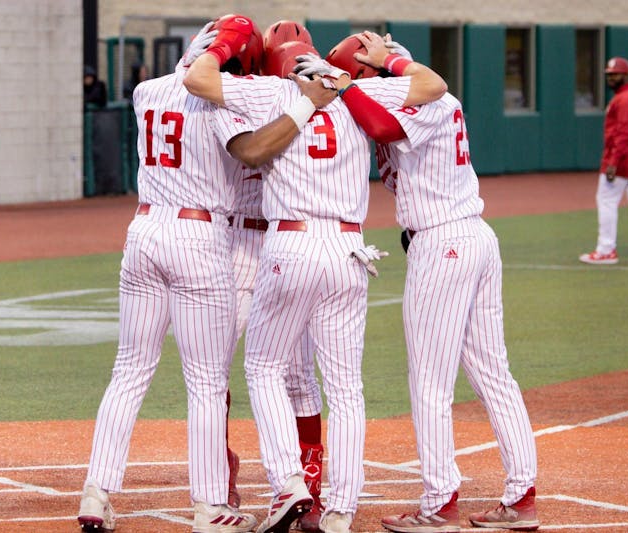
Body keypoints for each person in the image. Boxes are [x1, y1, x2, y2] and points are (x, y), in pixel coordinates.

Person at [185, 23, 446, 533]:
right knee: (346, 386)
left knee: (263, 368)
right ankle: (340, 510)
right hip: (350, 246)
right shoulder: (358, 89)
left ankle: (289, 484)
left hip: (291, 241)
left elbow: (197, 81)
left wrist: (219, 46)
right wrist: (384, 61)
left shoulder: (270, 90)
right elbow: (433, 85)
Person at [323, 35, 540, 532]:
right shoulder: (411, 95)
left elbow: (381, 120)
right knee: (491, 373)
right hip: (465, 237)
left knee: (430, 380)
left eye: (365, 77)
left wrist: (347, 84)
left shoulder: (428, 95)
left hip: (445, 240)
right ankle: (520, 494)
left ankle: (439, 502)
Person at [77, 19, 263, 533]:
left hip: (144, 229)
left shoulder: (145, 90)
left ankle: (96, 492)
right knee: (206, 381)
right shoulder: (220, 100)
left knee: (129, 369)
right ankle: (209, 506)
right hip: (197, 236)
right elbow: (250, 153)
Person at [222, 20, 327, 532]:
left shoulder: (245, 93)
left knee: (281, 372)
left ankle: (303, 488)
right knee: (228, 369)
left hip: (276, 243)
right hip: (256, 242)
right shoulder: (317, 99)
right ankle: (232, 475)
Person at [579, 56, 628, 266]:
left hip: (623, 162)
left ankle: (606, 250)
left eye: (615, 74)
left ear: (626, 75)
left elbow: (624, 133)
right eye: (609, 74)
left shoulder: (625, 99)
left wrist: (613, 162)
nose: (611, 78)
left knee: (606, 201)